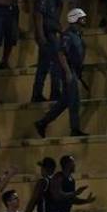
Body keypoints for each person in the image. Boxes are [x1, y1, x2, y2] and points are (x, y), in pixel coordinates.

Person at [34, 8, 89, 138]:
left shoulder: (77, 34)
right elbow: (61, 54)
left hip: (73, 70)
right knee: (74, 101)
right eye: (82, 18)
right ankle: (74, 129)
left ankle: (42, 123)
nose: (84, 20)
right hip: (67, 71)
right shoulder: (67, 35)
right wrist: (68, 73)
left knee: (65, 101)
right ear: (75, 19)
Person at [31, 0, 62, 103]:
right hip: (48, 35)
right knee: (54, 64)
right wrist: (41, 36)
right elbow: (39, 16)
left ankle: (38, 94)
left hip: (50, 33)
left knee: (44, 66)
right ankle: (54, 92)